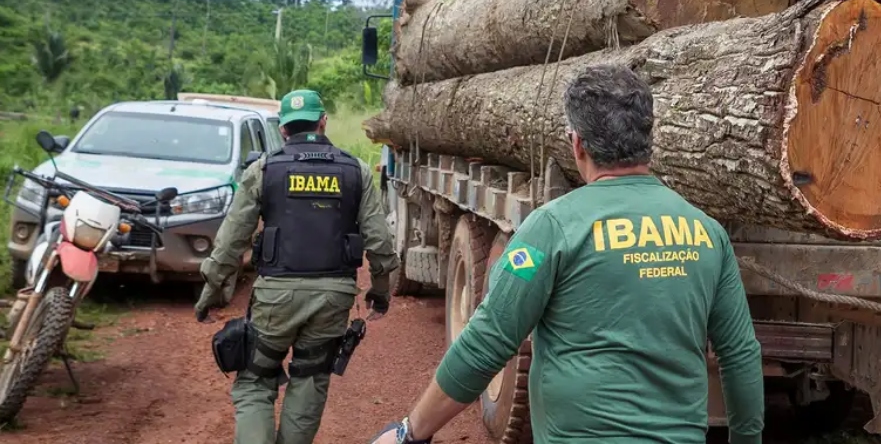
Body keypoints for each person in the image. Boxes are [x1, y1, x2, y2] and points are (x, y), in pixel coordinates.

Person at [369, 65, 764, 444]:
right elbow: (740, 353)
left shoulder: (552, 228)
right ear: (648, 138)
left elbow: (487, 341)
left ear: (577, 143)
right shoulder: (707, 233)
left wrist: (410, 432)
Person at [196, 89, 398, 444]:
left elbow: (231, 243)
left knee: (256, 379)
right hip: (334, 298)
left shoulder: (263, 170)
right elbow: (380, 245)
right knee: (310, 377)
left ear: (284, 130)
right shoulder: (357, 171)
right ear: (323, 122)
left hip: (276, 296)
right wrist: (379, 293)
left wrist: (211, 294)